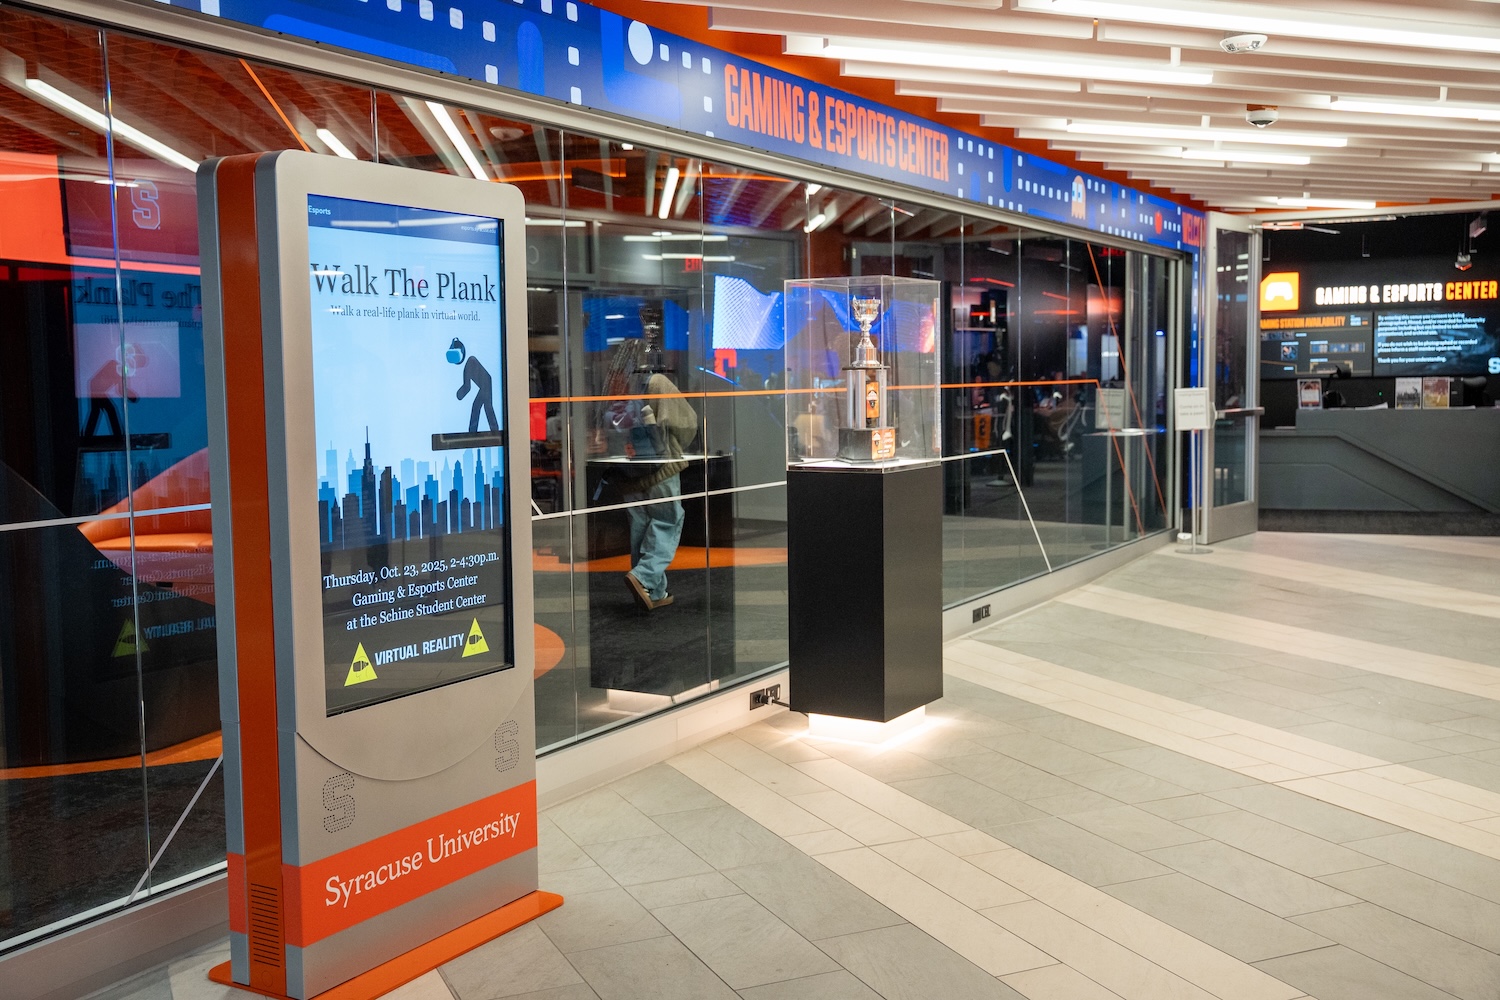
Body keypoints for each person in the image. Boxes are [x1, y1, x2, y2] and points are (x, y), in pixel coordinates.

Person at [619, 372, 697, 611]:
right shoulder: (659, 384)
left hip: (630, 473)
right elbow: (687, 424)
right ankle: (643, 577)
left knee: (641, 530)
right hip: (662, 468)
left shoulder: (623, 390)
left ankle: (653, 591)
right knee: (667, 523)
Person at [447, 338, 498, 433]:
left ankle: (480, 431)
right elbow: (467, 386)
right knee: (480, 407)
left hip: (486, 384)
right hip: (484, 385)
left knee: (482, 406)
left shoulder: (471, 361)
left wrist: (459, 395)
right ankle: (482, 431)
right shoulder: (468, 365)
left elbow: (467, 387)